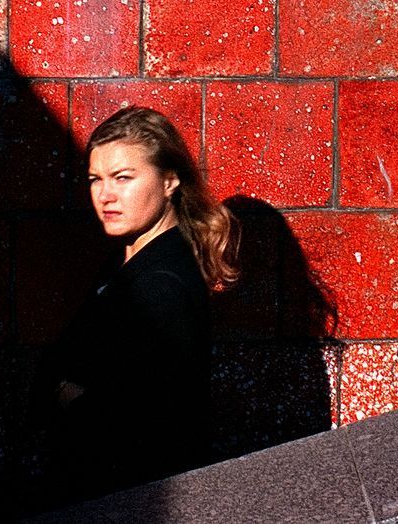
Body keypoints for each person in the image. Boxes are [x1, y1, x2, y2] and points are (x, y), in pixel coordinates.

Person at [38, 107, 239, 503]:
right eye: (96, 179)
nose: (105, 195)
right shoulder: (129, 260)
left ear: (170, 181)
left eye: (123, 178)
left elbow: (141, 423)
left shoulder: (162, 285)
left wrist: (65, 392)